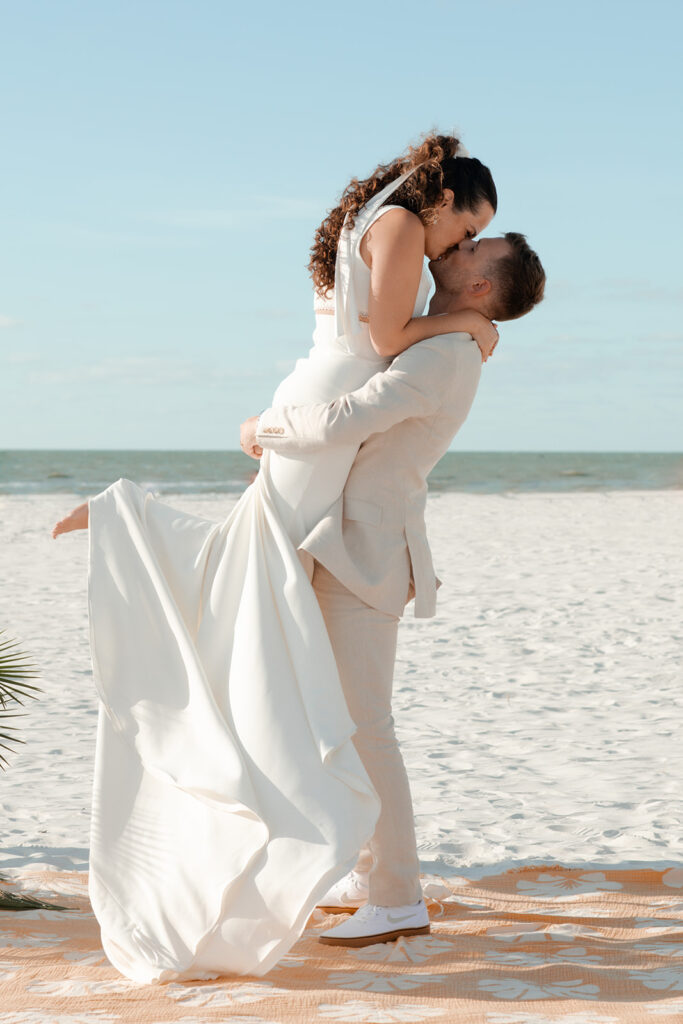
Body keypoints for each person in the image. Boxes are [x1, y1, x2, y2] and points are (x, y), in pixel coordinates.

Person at [51, 134, 500, 984]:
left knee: (251, 572)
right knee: (242, 566)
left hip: (327, 431)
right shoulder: (408, 236)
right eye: (465, 230)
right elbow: (384, 333)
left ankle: (124, 522)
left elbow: (375, 355)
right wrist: (467, 319)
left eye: (469, 249)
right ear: (443, 201)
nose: (456, 248)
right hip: (327, 426)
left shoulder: (397, 246)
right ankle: (125, 521)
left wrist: (464, 324)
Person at [240, 232, 546, 947]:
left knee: (365, 727)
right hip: (344, 545)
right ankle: (371, 870)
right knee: (339, 724)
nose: (460, 244)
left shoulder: (446, 354)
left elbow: (351, 419)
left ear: (479, 288)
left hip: (367, 555)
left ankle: (399, 898)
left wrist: (263, 430)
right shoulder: (440, 337)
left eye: (476, 249)